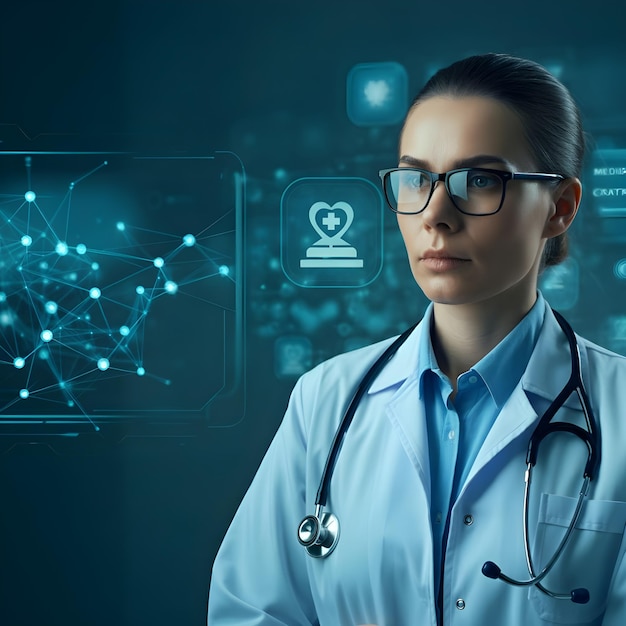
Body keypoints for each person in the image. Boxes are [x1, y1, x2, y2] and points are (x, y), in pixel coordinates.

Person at [207, 53, 626, 625]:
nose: (436, 214)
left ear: (560, 207)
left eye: (479, 180)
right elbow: (251, 610)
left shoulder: (620, 411)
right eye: (417, 178)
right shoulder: (325, 401)